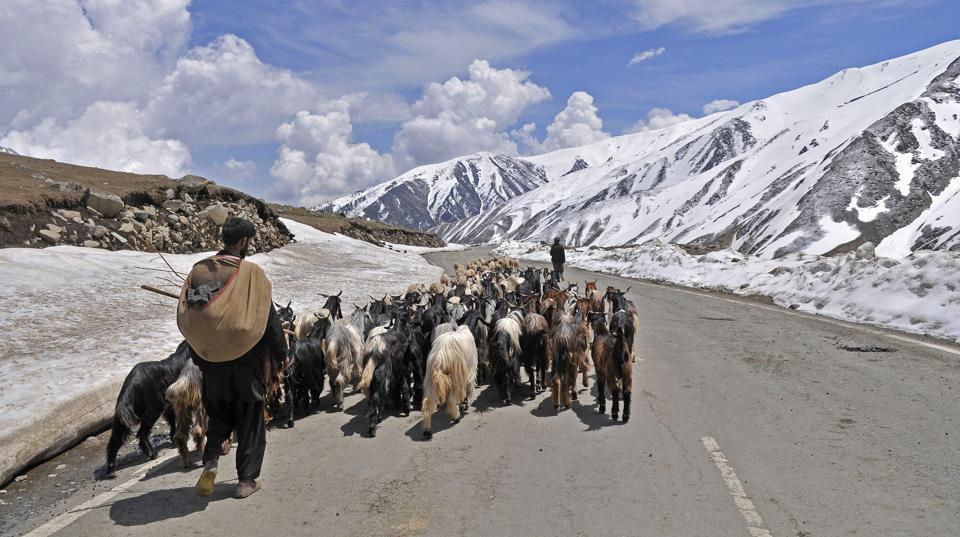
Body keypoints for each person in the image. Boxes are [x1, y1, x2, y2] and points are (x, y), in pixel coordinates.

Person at [177, 217, 288, 499]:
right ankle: (246, 481)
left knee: (219, 417)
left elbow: (192, 317)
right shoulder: (250, 274)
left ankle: (211, 459)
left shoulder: (200, 271)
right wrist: (281, 354)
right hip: (246, 365)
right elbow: (269, 321)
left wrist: (202, 357)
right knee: (250, 420)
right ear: (242, 242)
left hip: (211, 364)